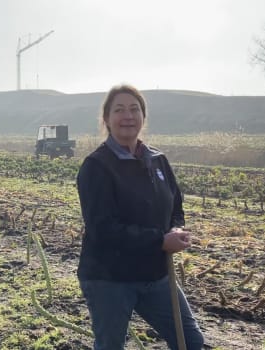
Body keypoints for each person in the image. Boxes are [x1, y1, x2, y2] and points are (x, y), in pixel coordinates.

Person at [76, 85, 204, 350]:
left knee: (190, 342)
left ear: (143, 116)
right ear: (107, 120)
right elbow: (103, 228)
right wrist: (159, 241)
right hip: (110, 278)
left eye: (135, 109)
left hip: (156, 276)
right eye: (119, 110)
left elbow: (175, 206)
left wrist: (176, 229)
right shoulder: (97, 166)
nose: (128, 116)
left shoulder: (157, 160)